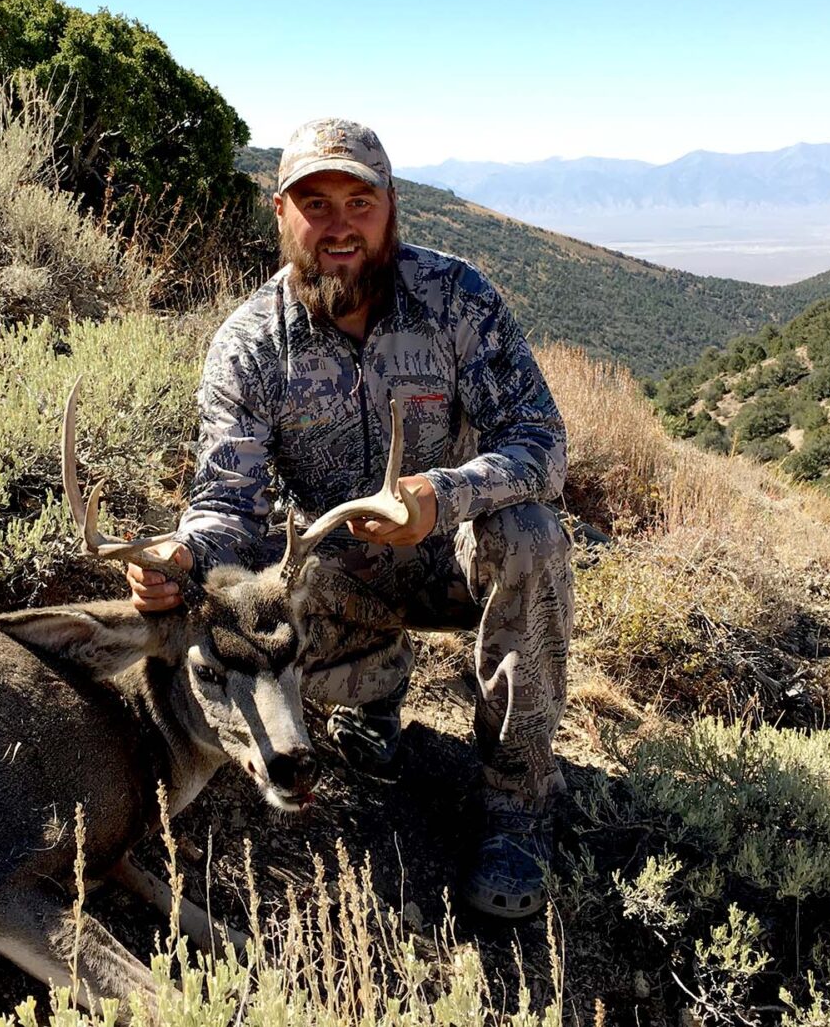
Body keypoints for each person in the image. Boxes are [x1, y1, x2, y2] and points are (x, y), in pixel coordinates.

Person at [126, 118, 574, 921]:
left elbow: (541, 442)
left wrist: (445, 497)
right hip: (334, 579)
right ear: (281, 215)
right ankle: (374, 690)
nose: (339, 225)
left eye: (358, 202)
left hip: (453, 556)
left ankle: (517, 801)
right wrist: (181, 557)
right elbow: (226, 499)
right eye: (315, 202)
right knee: (238, 612)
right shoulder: (249, 343)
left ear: (390, 207)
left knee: (531, 536)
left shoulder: (457, 298)